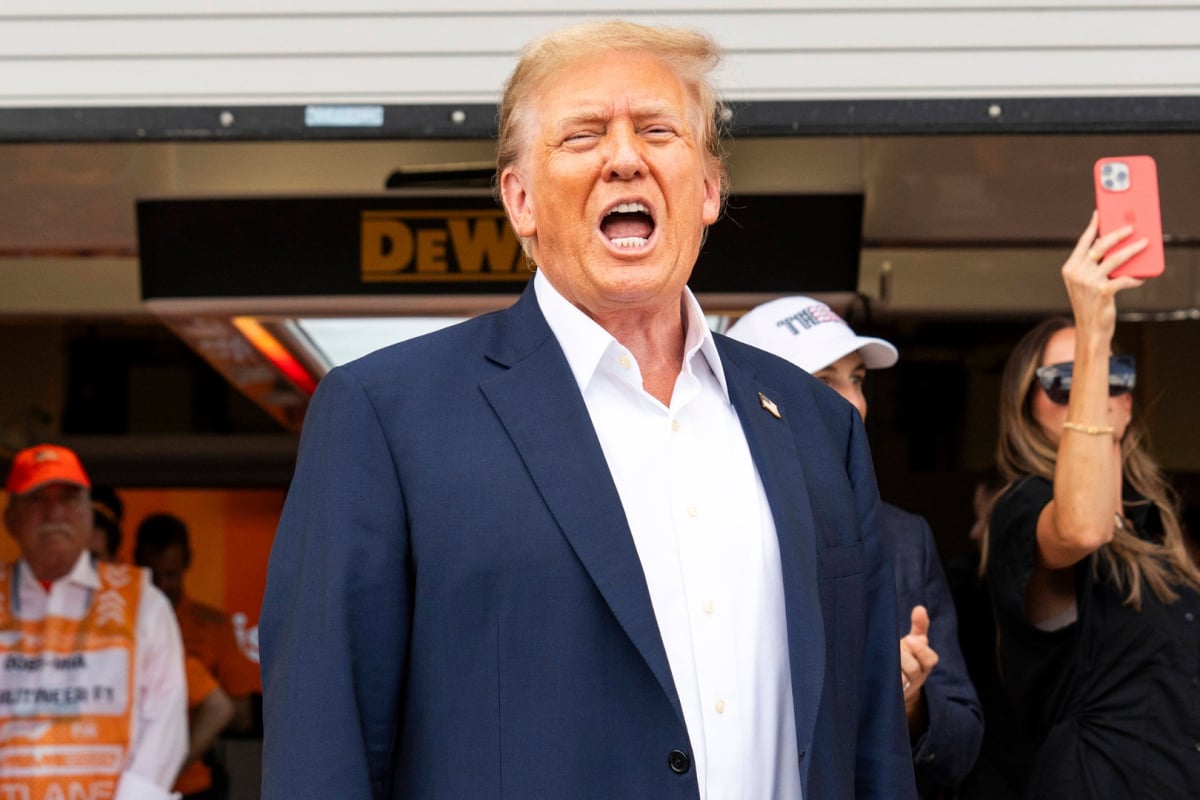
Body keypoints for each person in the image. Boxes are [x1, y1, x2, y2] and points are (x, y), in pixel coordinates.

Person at [260, 19, 914, 800]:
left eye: (658, 130)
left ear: (708, 191)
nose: (626, 157)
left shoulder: (819, 427)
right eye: (583, 136)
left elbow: (872, 740)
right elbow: (321, 753)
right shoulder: (386, 418)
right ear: (521, 199)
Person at [727, 296, 984, 797]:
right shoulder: (707, 524)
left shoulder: (904, 538)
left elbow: (961, 746)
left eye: (858, 379)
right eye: (824, 382)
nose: (854, 403)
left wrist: (907, 702)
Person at [983, 213, 1200, 798]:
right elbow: (1081, 528)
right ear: (1026, 405)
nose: (1101, 391)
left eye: (1111, 375)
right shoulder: (1022, 508)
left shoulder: (1152, 518)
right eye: (1068, 379)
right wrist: (1095, 333)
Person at [1, 443, 187, 800]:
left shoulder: (142, 603)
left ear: (89, 515)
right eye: (37, 499)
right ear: (11, 517)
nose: (54, 512)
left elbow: (165, 721)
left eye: (69, 499)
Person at [134, 513, 261, 797]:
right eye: (153, 575)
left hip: (191, 779)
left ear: (187, 562)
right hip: (124, 773)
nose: (163, 586)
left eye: (171, 575)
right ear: (136, 563)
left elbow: (241, 714)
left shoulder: (213, 626)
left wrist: (193, 700)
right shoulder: (121, 623)